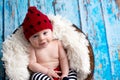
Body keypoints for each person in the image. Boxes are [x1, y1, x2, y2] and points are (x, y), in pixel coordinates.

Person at [22, 6, 77, 80]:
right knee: (36, 76)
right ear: (29, 39)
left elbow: (63, 59)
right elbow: (32, 65)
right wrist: (47, 71)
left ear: (51, 31)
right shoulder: (32, 48)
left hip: (61, 72)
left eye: (45, 33)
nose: (41, 38)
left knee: (72, 72)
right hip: (44, 74)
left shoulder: (57, 43)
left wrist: (65, 74)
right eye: (35, 36)